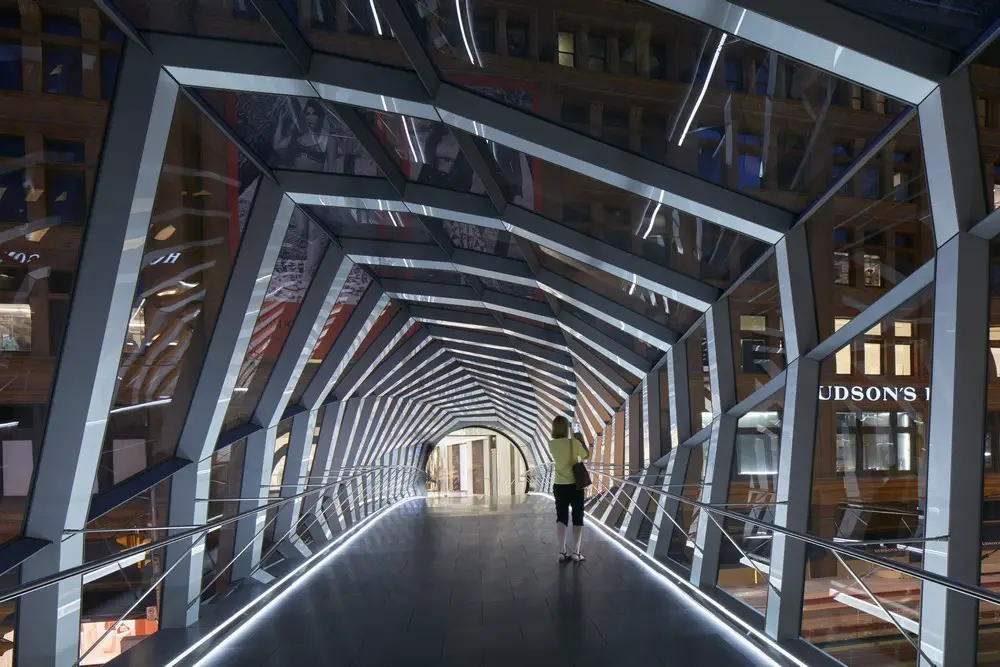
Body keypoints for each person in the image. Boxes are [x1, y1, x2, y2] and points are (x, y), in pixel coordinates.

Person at [548, 416, 590, 563]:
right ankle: (576, 553)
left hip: (559, 485)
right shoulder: (574, 442)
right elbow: (586, 455)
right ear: (567, 428)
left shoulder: (551, 444)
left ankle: (561, 551)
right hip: (575, 485)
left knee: (561, 516)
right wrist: (579, 438)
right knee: (578, 517)